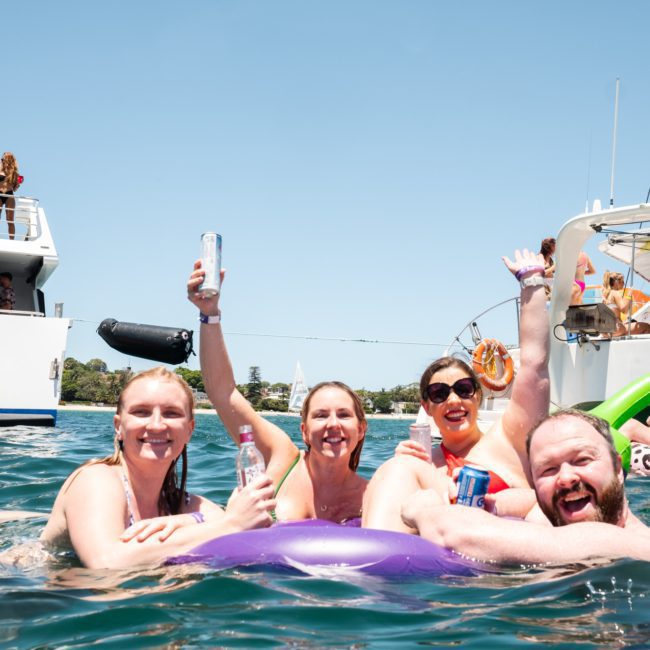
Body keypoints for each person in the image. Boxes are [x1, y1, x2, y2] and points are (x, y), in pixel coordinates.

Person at [362, 249, 550, 532]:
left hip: (502, 563)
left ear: (477, 395)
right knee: (396, 469)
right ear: (427, 407)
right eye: (439, 393)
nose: (453, 400)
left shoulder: (509, 440)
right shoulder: (423, 463)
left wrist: (531, 282)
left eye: (462, 389)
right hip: (435, 567)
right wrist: (404, 467)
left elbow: (534, 364)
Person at [39, 367, 276, 569]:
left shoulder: (181, 504)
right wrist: (230, 525)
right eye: (141, 412)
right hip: (27, 592)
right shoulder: (95, 480)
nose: (156, 425)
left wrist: (191, 520)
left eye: (171, 413)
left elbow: (230, 521)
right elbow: (105, 562)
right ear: (119, 426)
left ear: (189, 430)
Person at [187, 263, 368, 524]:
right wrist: (209, 313)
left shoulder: (374, 495)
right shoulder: (280, 456)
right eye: (320, 415)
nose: (333, 424)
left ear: (361, 429)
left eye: (343, 415)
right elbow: (222, 392)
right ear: (304, 430)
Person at [402, 410, 650, 564]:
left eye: (582, 460)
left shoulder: (618, 540)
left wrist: (424, 510)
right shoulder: (558, 522)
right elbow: (532, 501)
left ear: (619, 470)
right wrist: (493, 505)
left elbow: (454, 534)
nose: (565, 478)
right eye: (548, 469)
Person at [601, 271, 650, 336]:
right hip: (616, 328)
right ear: (617, 282)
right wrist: (629, 294)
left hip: (605, 331)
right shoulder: (614, 292)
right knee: (647, 327)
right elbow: (624, 309)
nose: (624, 284)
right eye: (622, 281)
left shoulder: (605, 295)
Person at [0, 152, 21, 241]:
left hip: (9, 194)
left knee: (10, 219)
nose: (2, 160)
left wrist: (19, 184)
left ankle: (11, 240)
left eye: (3, 159)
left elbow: (15, 189)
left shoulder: (14, 173)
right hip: (0, 193)